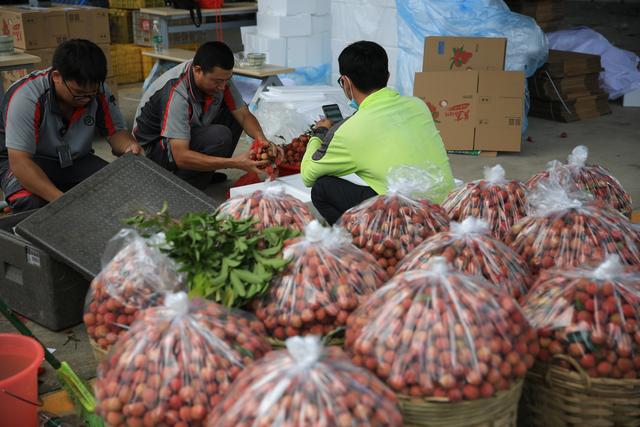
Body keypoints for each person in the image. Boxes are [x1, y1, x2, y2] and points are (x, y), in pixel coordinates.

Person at [300, 41, 455, 224]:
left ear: (345, 82)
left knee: (322, 188)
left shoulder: (348, 130)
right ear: (387, 76)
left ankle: (361, 239)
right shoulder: (418, 105)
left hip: (404, 219)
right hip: (446, 208)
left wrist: (319, 133)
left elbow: (308, 175)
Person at [0, 39, 141, 213]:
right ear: (57, 77)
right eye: (79, 94)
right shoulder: (27, 98)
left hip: (75, 160)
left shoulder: (99, 92)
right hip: (23, 161)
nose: (87, 100)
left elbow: (116, 133)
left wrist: (130, 146)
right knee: (34, 205)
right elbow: (20, 162)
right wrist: (62, 201)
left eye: (92, 93)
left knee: (119, 188)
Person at [133, 41, 276, 190]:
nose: (222, 87)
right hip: (152, 153)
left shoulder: (219, 77)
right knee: (219, 136)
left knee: (233, 114)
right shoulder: (176, 92)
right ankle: (182, 186)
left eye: (226, 80)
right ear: (197, 70)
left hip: (183, 135)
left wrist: (262, 140)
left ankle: (202, 172)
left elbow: (244, 115)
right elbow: (180, 156)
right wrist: (235, 162)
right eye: (218, 81)